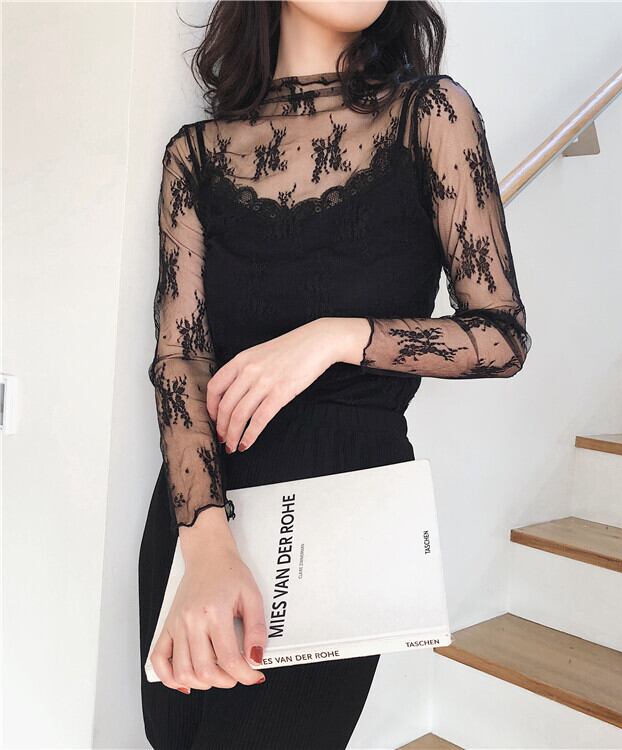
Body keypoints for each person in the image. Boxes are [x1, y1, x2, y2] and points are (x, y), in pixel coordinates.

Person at [138, 0, 532, 747]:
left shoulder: (430, 116)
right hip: (201, 511)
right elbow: (179, 361)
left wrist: (336, 338)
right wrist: (206, 544)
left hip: (342, 509)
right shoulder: (194, 155)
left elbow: (500, 337)